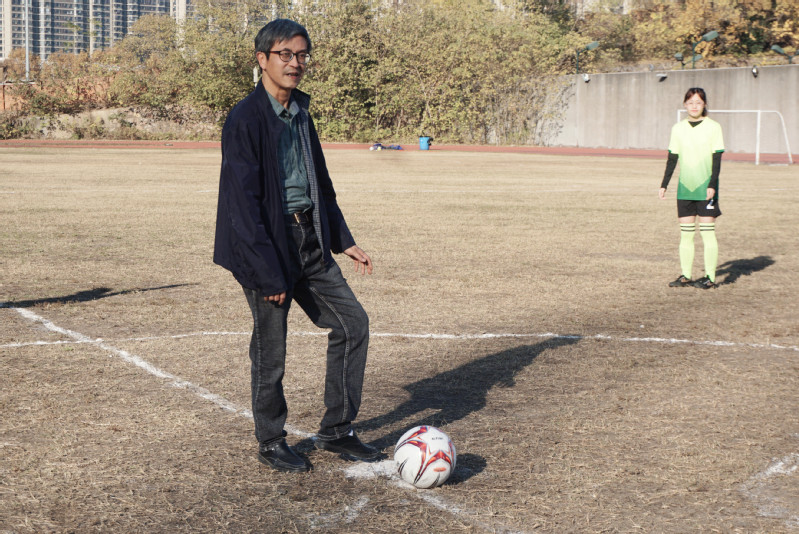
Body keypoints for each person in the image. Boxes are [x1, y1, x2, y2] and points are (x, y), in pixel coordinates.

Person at [213, 19, 380, 473]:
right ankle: (271, 441)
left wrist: (343, 239)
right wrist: (268, 273)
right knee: (272, 348)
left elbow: (319, 182)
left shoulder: (302, 113)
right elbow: (242, 205)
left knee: (353, 324)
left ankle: (337, 430)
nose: (295, 63)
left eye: (302, 55)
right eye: (285, 54)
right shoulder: (245, 118)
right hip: (268, 245)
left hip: (311, 240)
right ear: (262, 59)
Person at [659, 87, 724, 289]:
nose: (694, 106)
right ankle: (685, 275)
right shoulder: (678, 128)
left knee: (707, 233)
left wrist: (712, 185)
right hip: (685, 189)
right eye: (690, 102)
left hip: (707, 190)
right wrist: (664, 184)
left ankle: (710, 278)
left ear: (704, 104)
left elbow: (717, 159)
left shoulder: (713, 127)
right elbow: (672, 158)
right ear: (685, 105)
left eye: (698, 102)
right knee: (686, 234)